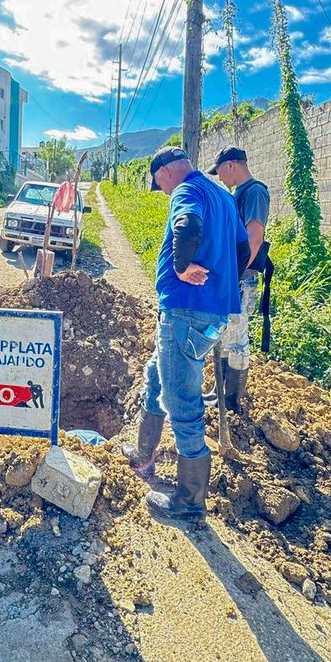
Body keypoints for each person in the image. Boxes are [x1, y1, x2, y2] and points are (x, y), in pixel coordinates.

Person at [121, 146, 250, 521]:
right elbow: (243, 248)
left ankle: (190, 501)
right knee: (157, 378)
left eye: (158, 185)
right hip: (208, 311)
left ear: (163, 172)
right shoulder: (224, 197)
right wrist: (220, 278)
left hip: (185, 312)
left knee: (182, 402)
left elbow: (187, 225)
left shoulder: (187, 191)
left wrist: (181, 266)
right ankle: (144, 455)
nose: (161, 192)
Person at [208, 146, 271, 411]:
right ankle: (219, 392)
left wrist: (233, 278)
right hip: (231, 277)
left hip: (241, 279)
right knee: (223, 335)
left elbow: (254, 239)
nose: (219, 177)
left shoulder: (255, 192)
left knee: (236, 338)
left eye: (220, 171)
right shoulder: (238, 194)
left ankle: (232, 399)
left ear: (231, 165)